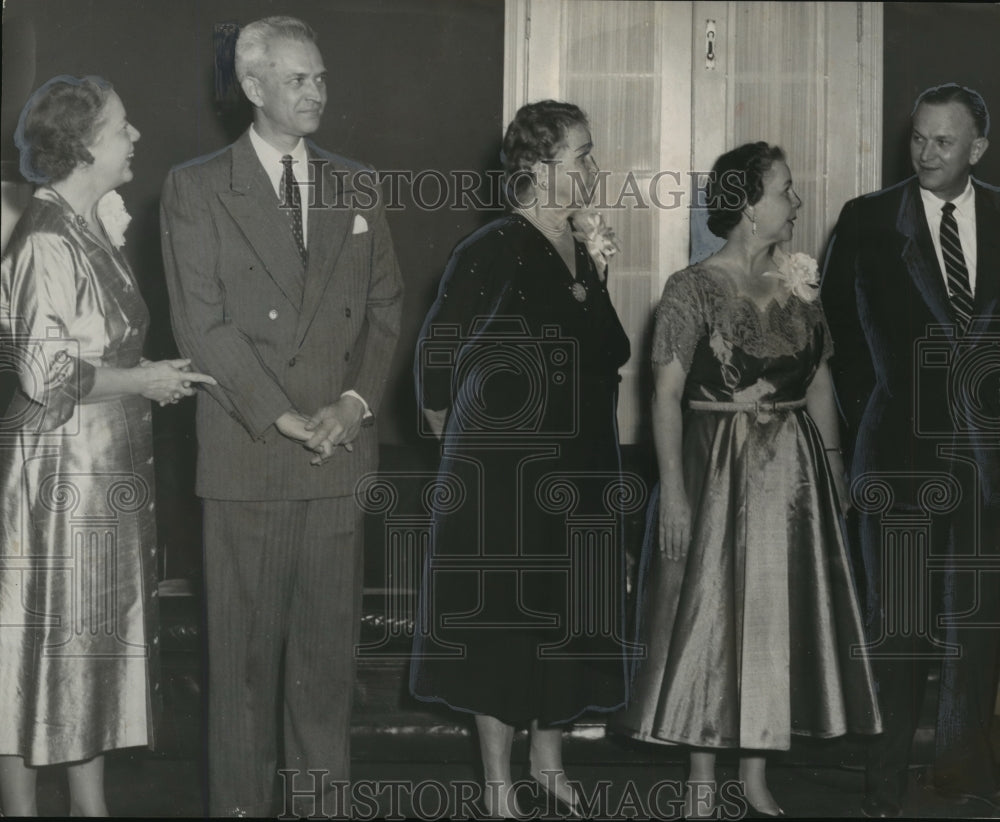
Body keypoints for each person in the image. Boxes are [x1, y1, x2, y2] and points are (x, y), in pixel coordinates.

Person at [160, 15, 403, 818]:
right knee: (241, 676)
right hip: (249, 460)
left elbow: (385, 310)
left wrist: (354, 402)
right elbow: (205, 328)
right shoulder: (196, 189)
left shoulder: (357, 182)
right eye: (297, 79)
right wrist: (283, 417)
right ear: (253, 87)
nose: (316, 92)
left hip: (337, 462)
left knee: (326, 673)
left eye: (322, 77)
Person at [613, 142, 882, 818]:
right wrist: (672, 490)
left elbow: (819, 380)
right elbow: (663, 396)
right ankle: (702, 777)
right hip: (715, 466)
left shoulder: (797, 282)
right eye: (785, 191)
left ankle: (755, 774)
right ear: (749, 206)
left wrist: (834, 462)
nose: (795, 203)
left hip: (791, 473)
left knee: (775, 612)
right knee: (709, 613)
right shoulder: (691, 288)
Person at [0, 75, 214, 817]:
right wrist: (141, 379)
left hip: (101, 469)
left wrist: (148, 378)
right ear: (85, 145)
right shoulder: (47, 239)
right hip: (60, 473)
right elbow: (42, 371)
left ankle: (92, 810)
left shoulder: (86, 227)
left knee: (83, 651)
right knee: (44, 645)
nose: (136, 137)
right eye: (122, 126)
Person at [410, 100, 631, 818]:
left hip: (582, 470)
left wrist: (596, 269)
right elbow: (437, 354)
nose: (594, 170)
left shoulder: (577, 243)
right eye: (581, 156)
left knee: (568, 616)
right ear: (539, 170)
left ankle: (549, 765)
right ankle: (500, 789)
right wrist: (466, 454)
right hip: (507, 475)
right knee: (502, 626)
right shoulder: (494, 245)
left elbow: (609, 352)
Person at [821, 83, 1000, 819]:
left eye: (944, 142)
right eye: (918, 139)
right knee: (896, 629)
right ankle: (883, 785)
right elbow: (836, 334)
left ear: (977, 149)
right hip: (897, 460)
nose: (926, 153)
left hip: (988, 466)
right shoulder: (866, 222)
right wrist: (879, 412)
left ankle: (960, 772)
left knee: (978, 628)